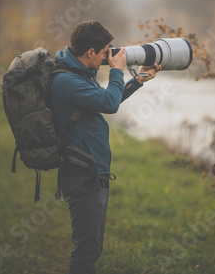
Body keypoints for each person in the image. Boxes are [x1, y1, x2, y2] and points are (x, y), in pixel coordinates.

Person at [50, 20, 160, 274]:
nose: (106, 58)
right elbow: (109, 103)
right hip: (83, 175)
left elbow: (104, 100)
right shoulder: (67, 80)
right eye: (103, 53)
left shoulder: (76, 74)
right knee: (87, 248)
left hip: (91, 173)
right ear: (90, 52)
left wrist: (139, 80)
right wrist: (118, 71)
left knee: (92, 247)